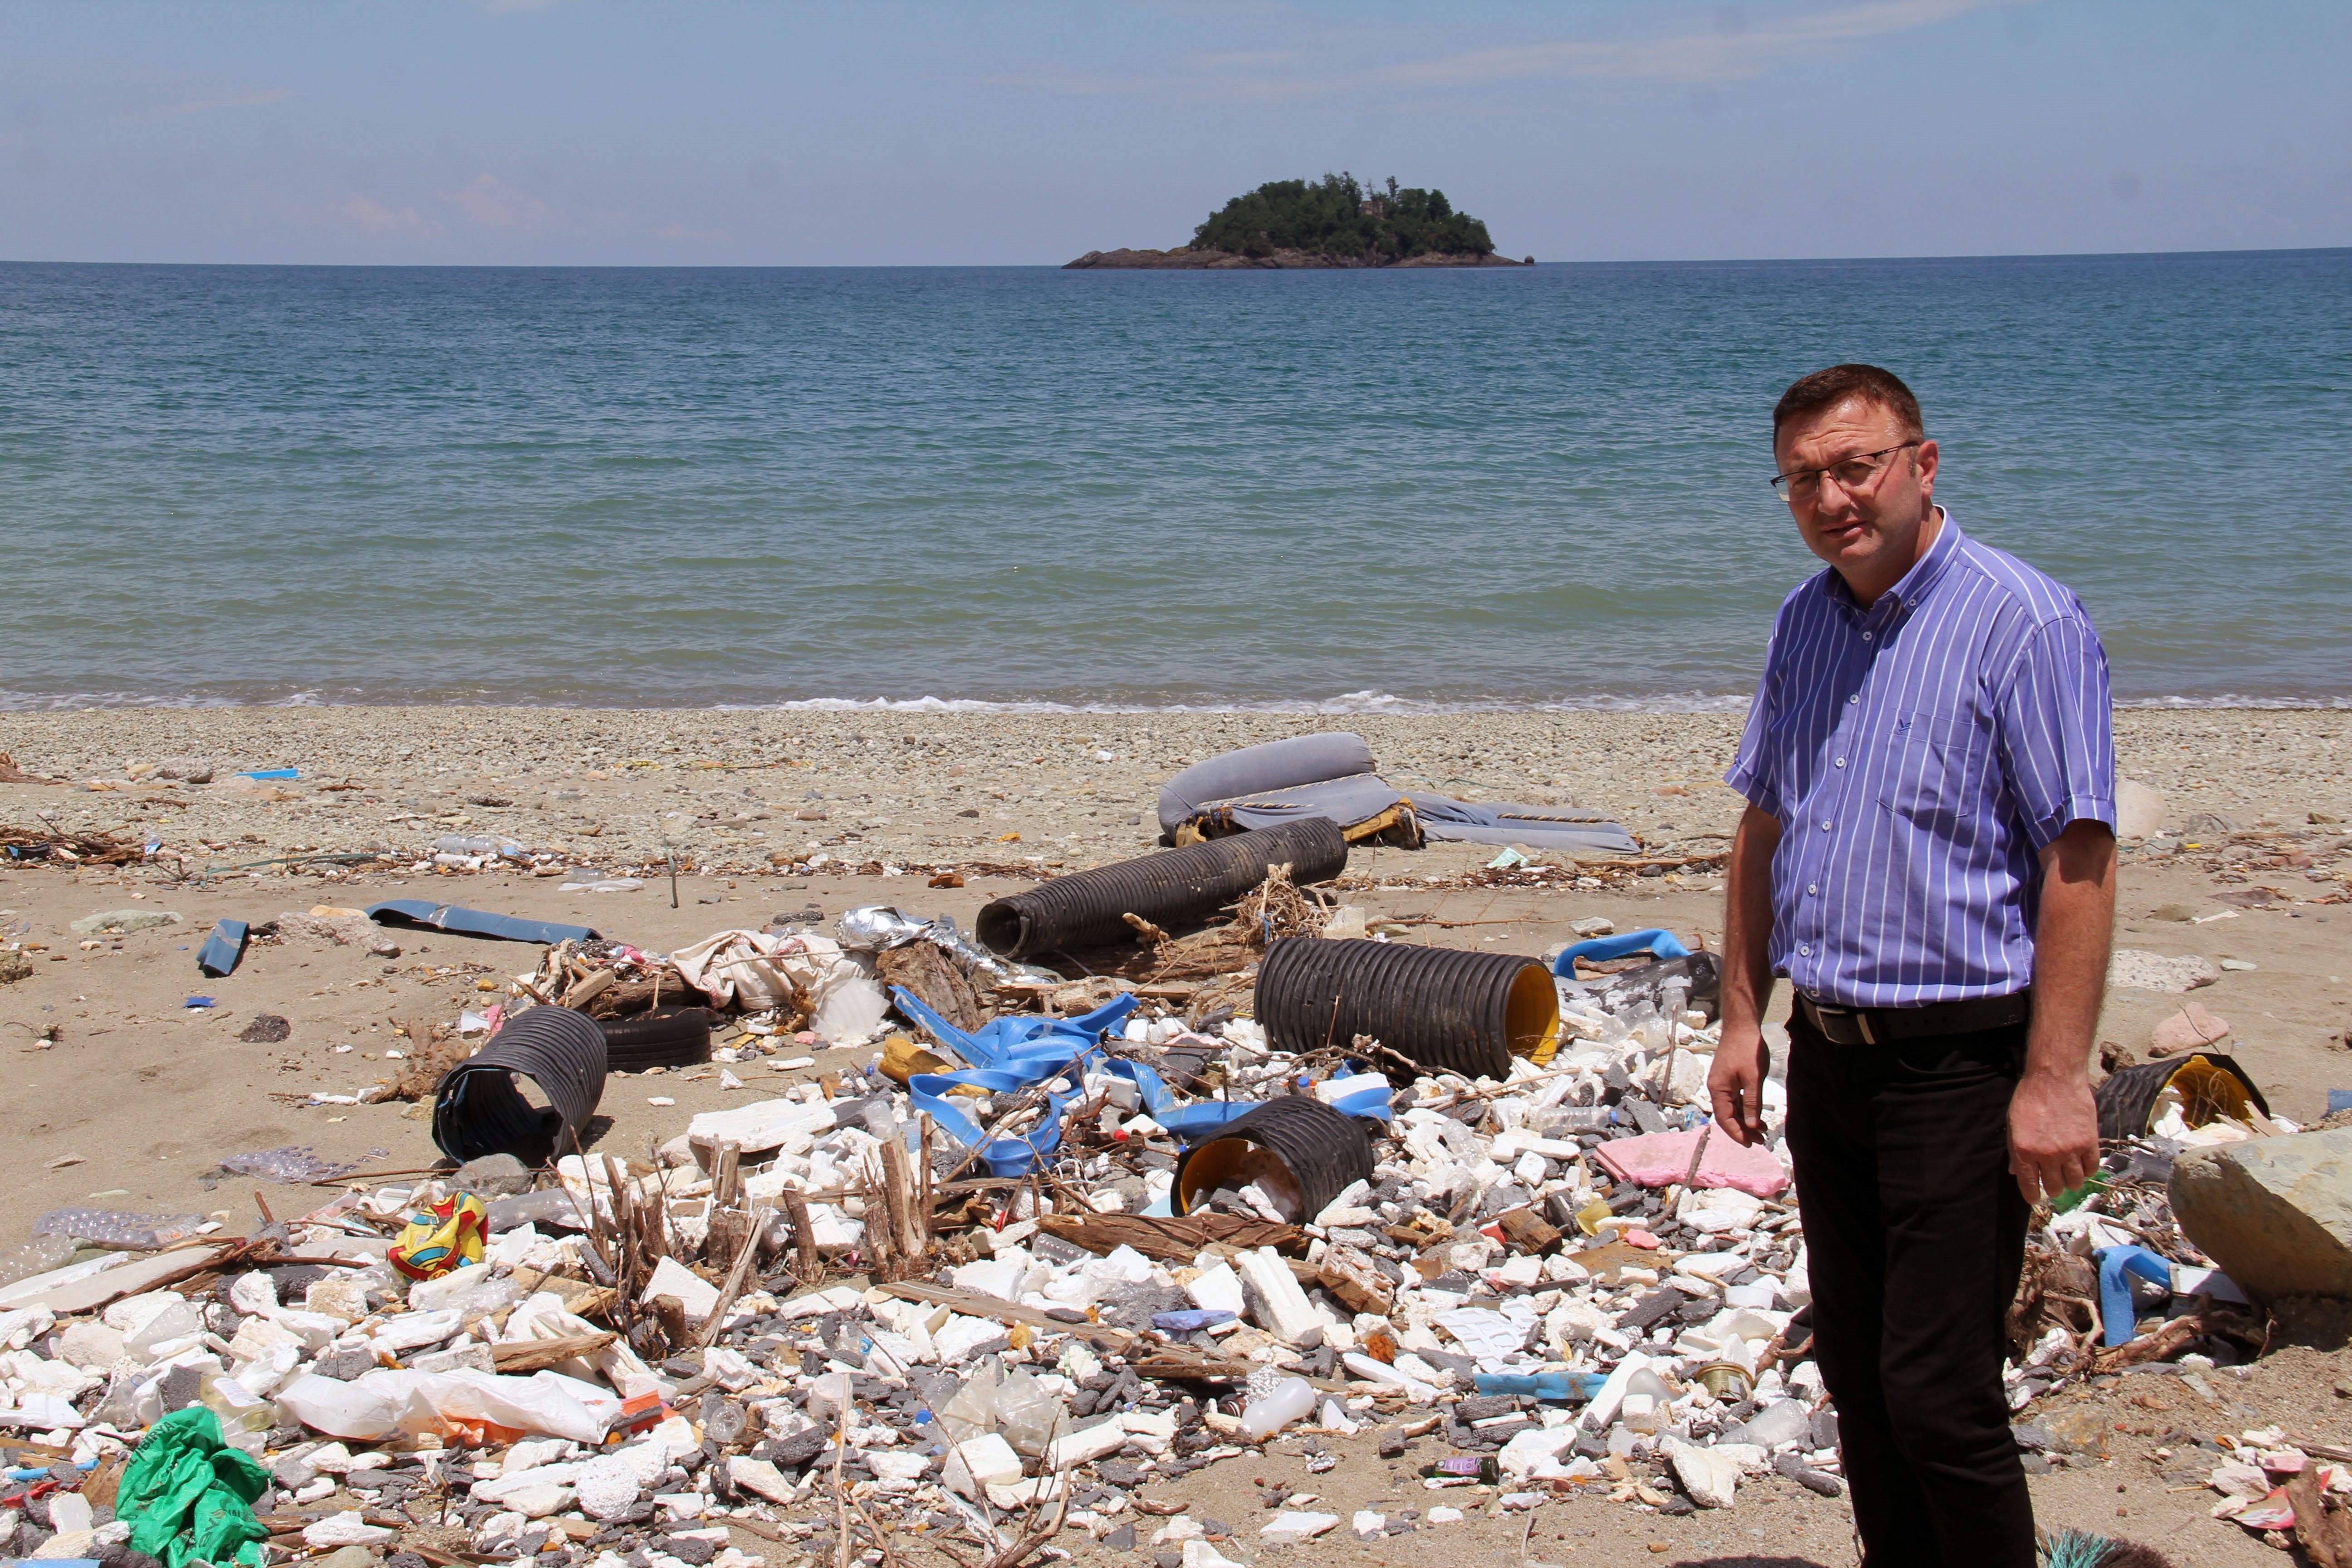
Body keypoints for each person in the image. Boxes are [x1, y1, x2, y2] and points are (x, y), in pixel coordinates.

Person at [1705, 364, 2117, 1565]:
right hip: (1827, 1055)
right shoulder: (1804, 621)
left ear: (1922, 465)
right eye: (1804, 480)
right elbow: (1764, 829)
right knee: (1859, 1375)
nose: (1834, 497)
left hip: (1960, 1061)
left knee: (1941, 1393)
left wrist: (2056, 1078)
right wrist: (1743, 1018)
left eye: (1856, 466)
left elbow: (2080, 859)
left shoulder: (2023, 620)